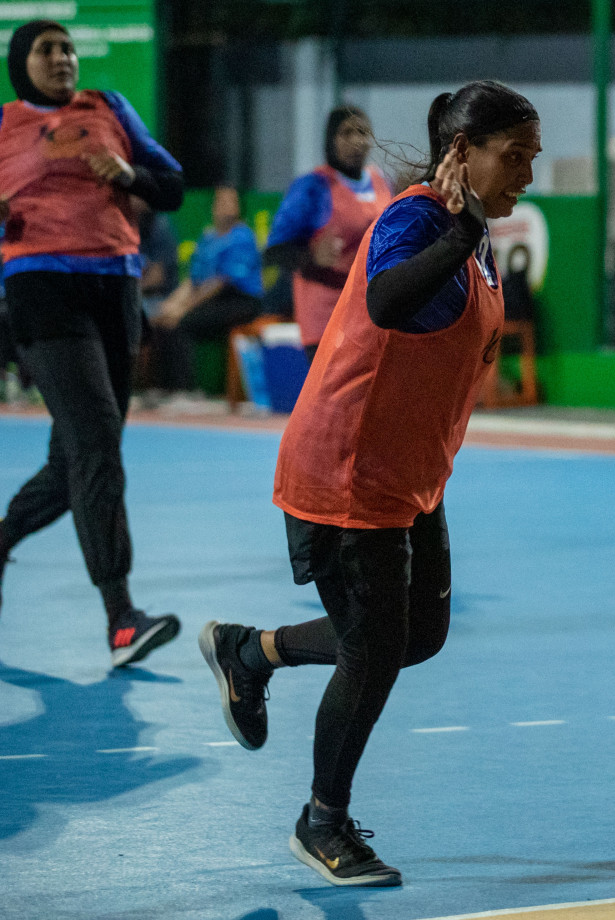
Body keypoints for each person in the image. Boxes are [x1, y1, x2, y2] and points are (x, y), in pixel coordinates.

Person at [198, 81, 534, 886]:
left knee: (416, 636)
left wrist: (470, 234)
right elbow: (386, 299)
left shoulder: (473, 233)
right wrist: (459, 236)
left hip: (410, 474)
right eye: (513, 154)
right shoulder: (418, 219)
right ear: (463, 152)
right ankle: (323, 821)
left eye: (533, 155)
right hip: (345, 471)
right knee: (375, 650)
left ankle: (252, 651)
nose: (527, 170)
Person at [0, 20, 183, 663]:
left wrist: (128, 174)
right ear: (21, 63)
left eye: (69, 48)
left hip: (116, 292)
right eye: (46, 50)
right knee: (98, 439)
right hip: (41, 290)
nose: (62, 58)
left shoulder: (110, 109)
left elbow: (173, 187)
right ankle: (121, 617)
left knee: (73, 458)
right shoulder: (2, 125)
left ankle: (1, 540)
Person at [265, 106, 391, 358]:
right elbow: (274, 252)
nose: (357, 140)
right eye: (346, 133)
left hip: (369, 313)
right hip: (326, 317)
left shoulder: (381, 182)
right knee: (335, 398)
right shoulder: (313, 187)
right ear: (330, 140)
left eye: (363, 132)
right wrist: (311, 255)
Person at [149, 186, 263, 393]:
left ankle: (186, 392)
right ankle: (164, 389)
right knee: (162, 320)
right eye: (222, 201)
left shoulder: (242, 237)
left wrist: (183, 310)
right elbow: (193, 282)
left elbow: (220, 283)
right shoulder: (208, 238)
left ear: (239, 207)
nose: (226, 206)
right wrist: (169, 306)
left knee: (182, 323)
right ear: (213, 207)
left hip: (241, 300)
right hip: (211, 299)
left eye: (231, 202)